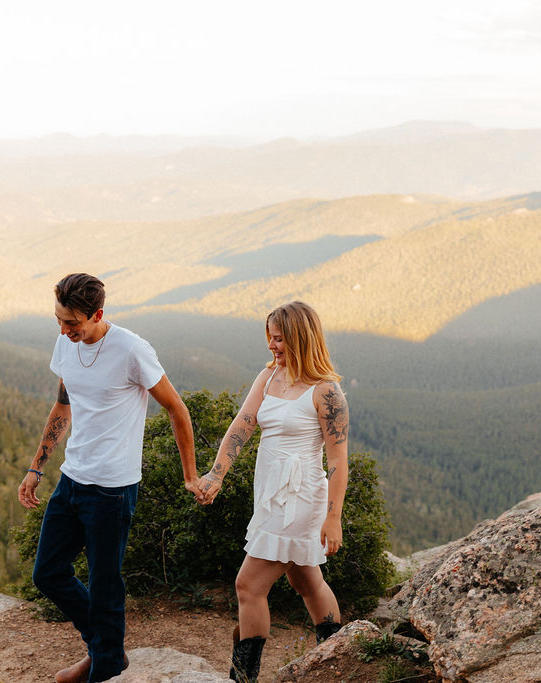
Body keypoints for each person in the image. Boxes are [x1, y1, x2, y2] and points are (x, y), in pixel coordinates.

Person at [18, 273, 204, 683]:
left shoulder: (132, 350)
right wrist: (37, 467)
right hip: (72, 479)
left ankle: (102, 670)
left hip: (113, 490)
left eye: (72, 324)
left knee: (104, 588)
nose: (64, 331)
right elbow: (63, 406)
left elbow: (177, 409)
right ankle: (106, 650)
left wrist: (190, 475)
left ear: (97, 314)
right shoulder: (65, 343)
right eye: (59, 321)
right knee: (47, 573)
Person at [196, 301, 349, 683]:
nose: (272, 346)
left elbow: (338, 462)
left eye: (278, 339)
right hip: (270, 494)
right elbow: (242, 425)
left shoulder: (326, 392)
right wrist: (216, 475)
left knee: (248, 585)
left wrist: (333, 518)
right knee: (305, 580)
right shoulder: (269, 377)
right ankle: (338, 657)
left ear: (300, 338)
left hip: (299, 497)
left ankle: (243, 678)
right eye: (270, 338)